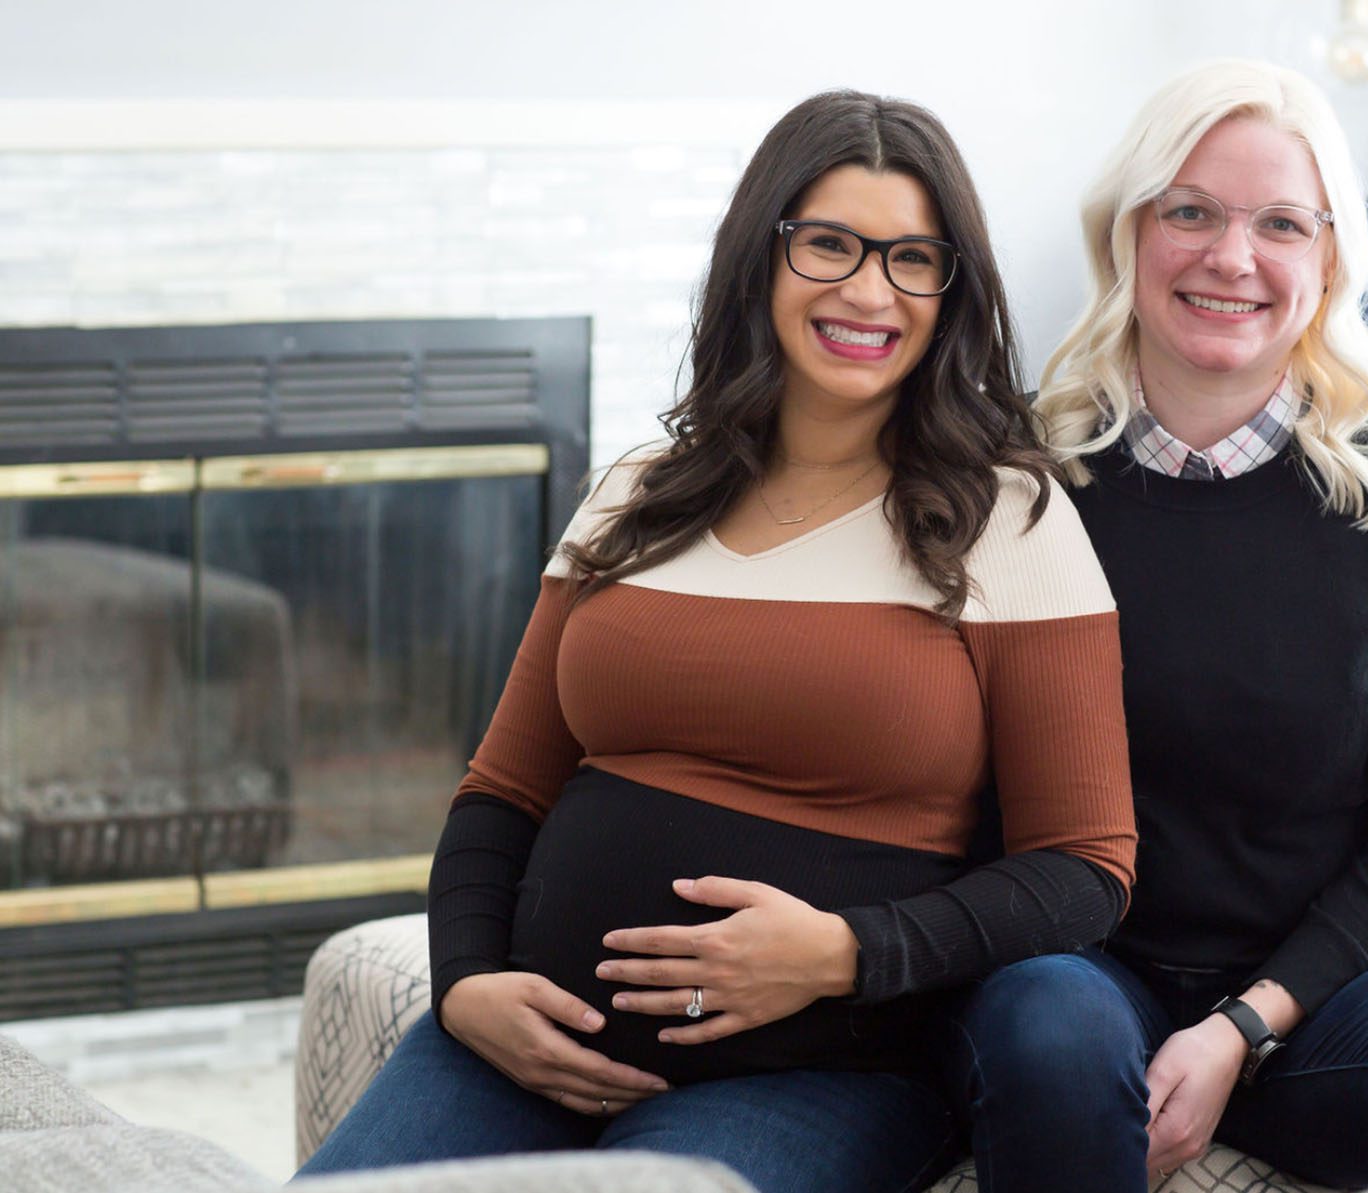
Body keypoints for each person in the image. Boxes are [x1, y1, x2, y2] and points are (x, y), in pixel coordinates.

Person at [294, 89, 1135, 1192]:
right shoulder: (635, 492)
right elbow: (501, 790)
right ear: (761, 258)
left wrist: (849, 950)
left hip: (816, 1067)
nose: (868, 289)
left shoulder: (1005, 514)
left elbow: (1084, 866)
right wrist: (464, 984)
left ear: (949, 288)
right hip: (524, 1046)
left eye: (912, 258)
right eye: (829, 243)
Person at [940, 60, 1368, 1193]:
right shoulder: (1024, 480)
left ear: (1325, 260)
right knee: (1049, 1033)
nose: (1231, 257)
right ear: (1128, 235)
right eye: (1189, 212)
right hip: (1080, 967)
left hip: (1309, 997)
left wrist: (1240, 1024)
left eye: (1280, 223)